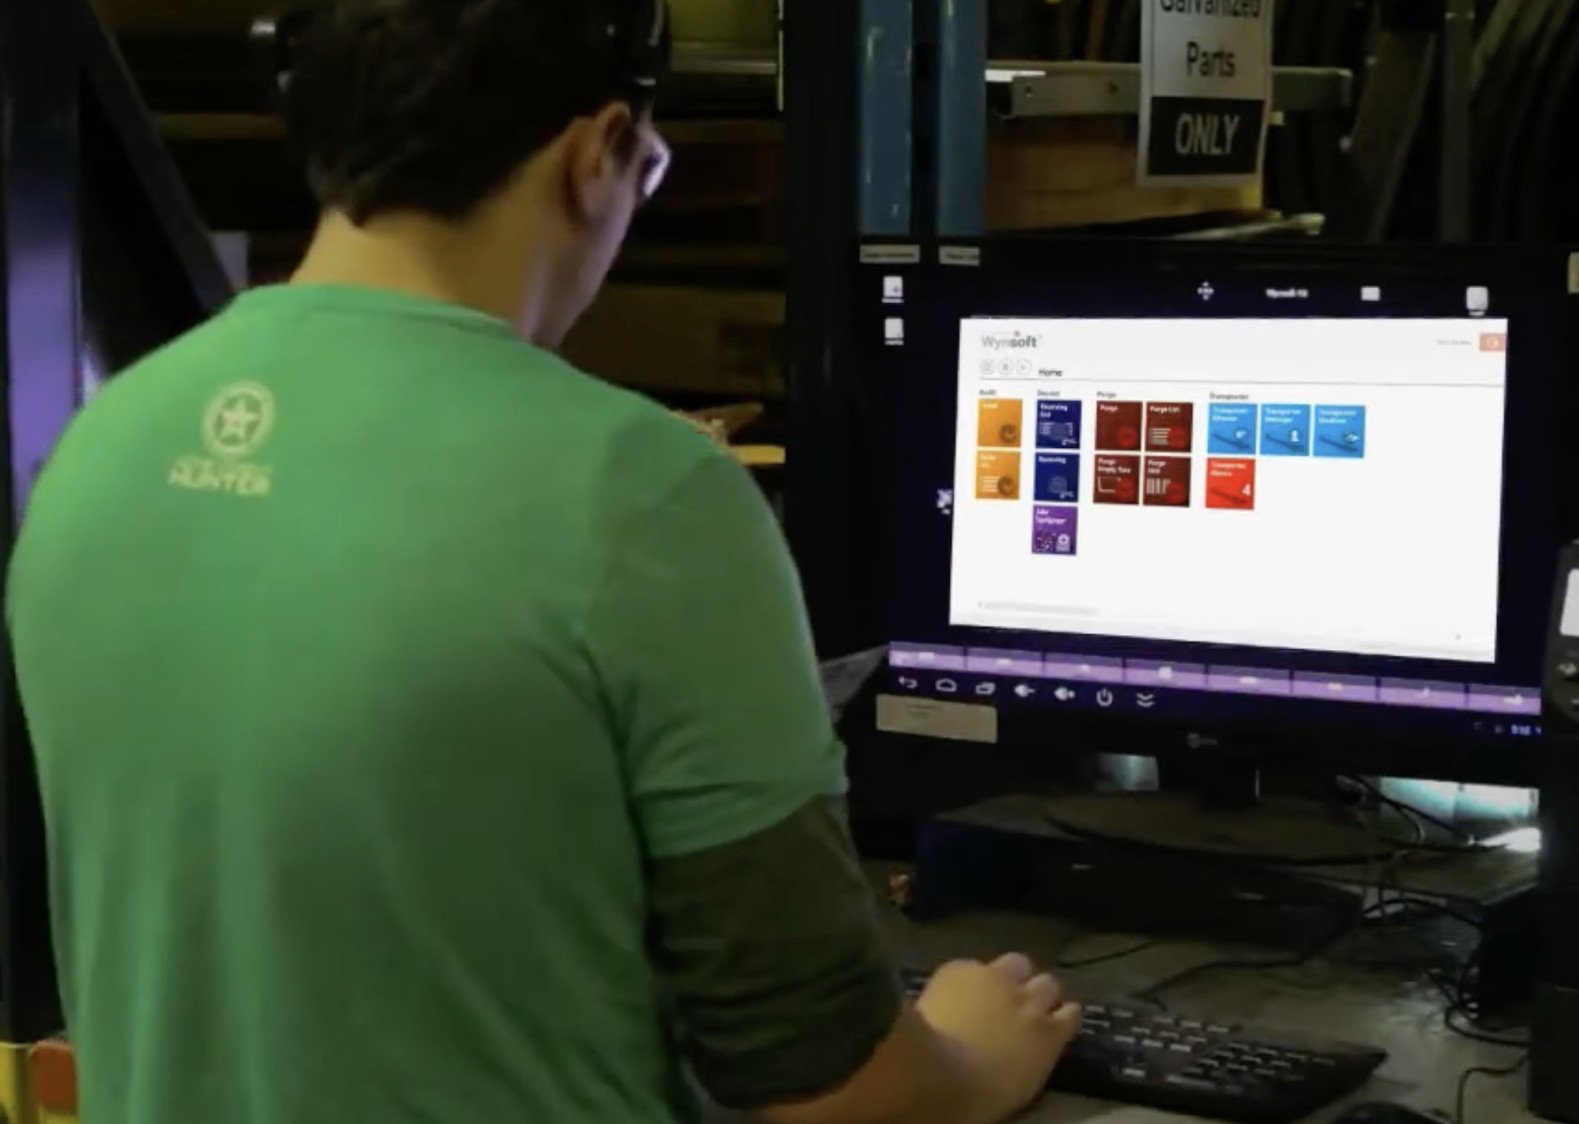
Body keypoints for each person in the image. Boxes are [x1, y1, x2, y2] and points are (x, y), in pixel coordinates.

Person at [4, 1, 1078, 1122]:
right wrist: (974, 1052)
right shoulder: (642, 495)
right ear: (595, 152)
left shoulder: (101, 447)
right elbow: (832, 1089)